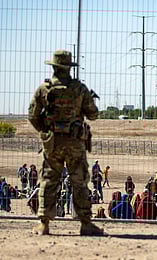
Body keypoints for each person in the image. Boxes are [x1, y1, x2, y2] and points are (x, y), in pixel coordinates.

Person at [28, 50, 104, 236]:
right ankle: (85, 223)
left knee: (49, 180)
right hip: (75, 142)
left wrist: (46, 132)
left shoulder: (44, 89)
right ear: (69, 68)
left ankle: (44, 224)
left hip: (52, 143)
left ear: (54, 66)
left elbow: (32, 116)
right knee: (79, 182)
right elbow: (93, 114)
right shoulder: (79, 89)